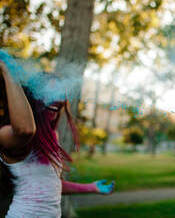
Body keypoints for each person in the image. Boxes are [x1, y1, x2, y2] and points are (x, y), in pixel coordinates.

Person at [0, 53, 114, 218]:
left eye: (60, 92)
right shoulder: (7, 134)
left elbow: (51, 185)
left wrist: (91, 187)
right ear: (32, 97)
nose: (58, 99)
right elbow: (25, 130)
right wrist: (8, 71)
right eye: (50, 92)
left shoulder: (53, 135)